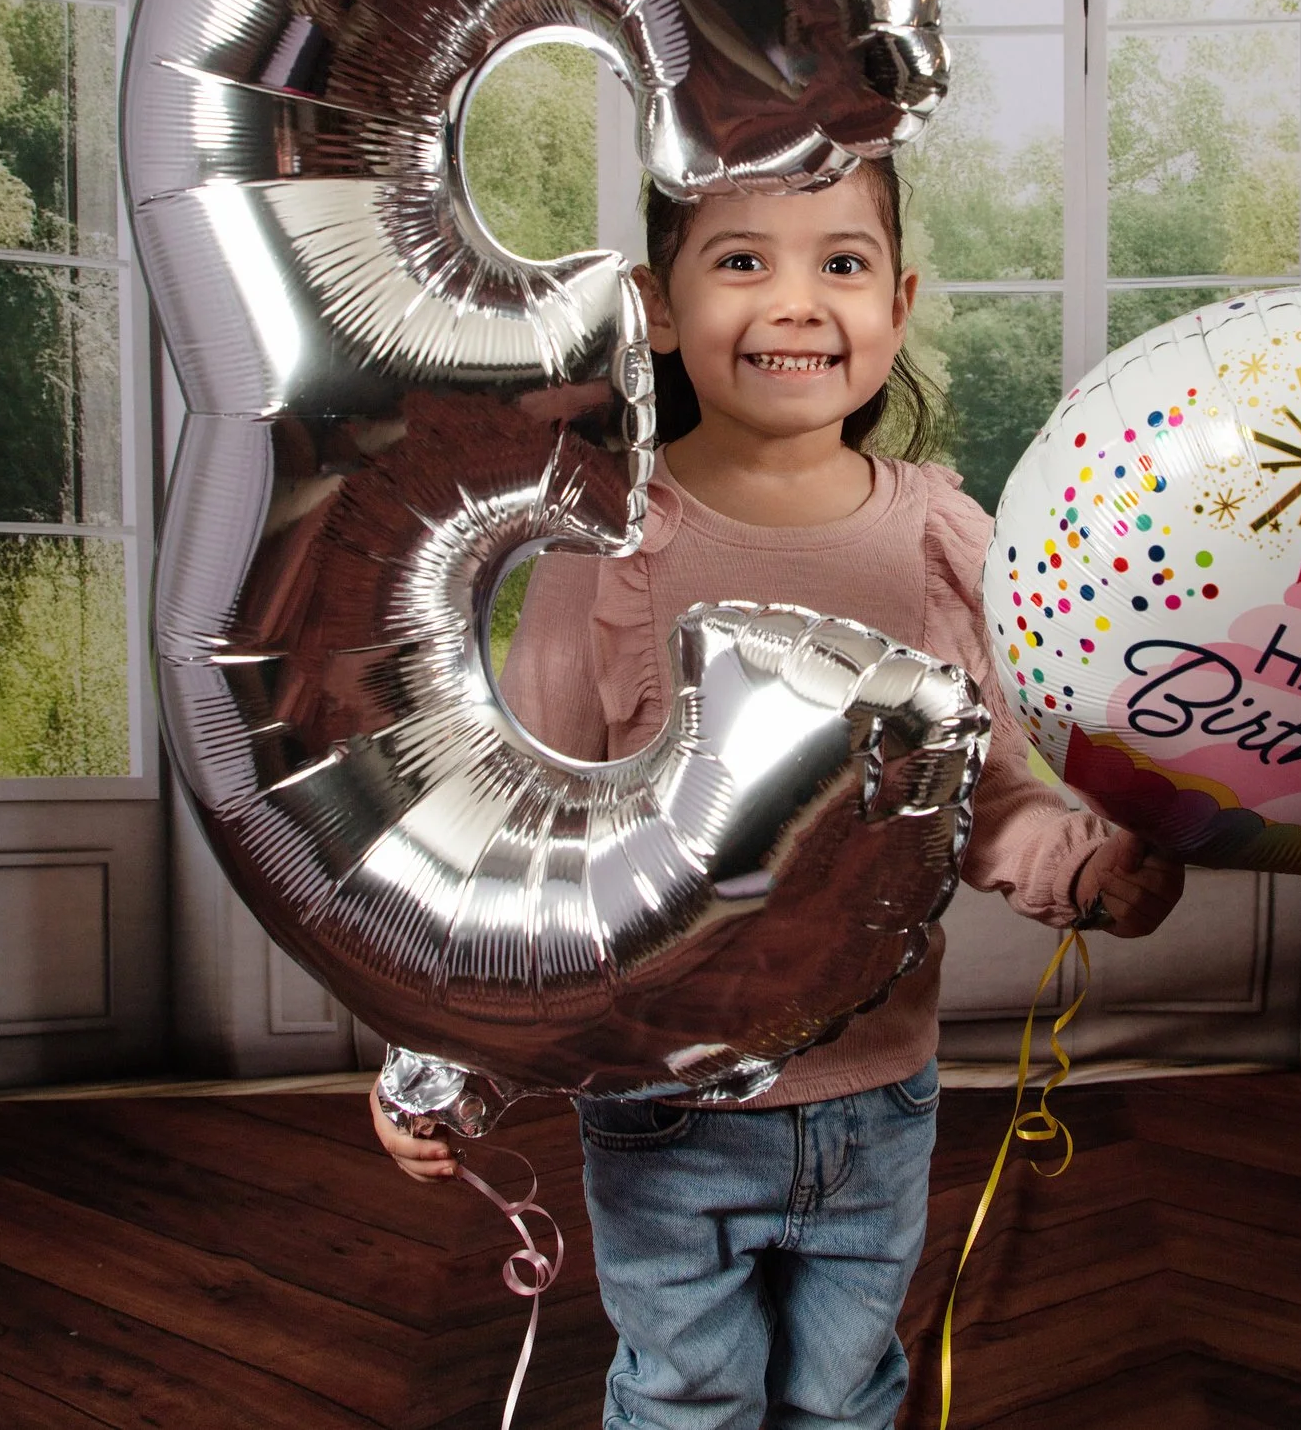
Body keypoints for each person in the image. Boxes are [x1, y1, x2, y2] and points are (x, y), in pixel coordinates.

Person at [373, 156, 1184, 1430]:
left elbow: (996, 794)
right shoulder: (608, 541)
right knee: (688, 1396)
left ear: (900, 305)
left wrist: (1079, 865)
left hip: (883, 1095)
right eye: (743, 260)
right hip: (662, 1113)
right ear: (657, 303)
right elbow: (522, 827)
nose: (796, 303)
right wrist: (449, 1046)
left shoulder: (944, 540)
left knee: (845, 1394)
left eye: (841, 264)